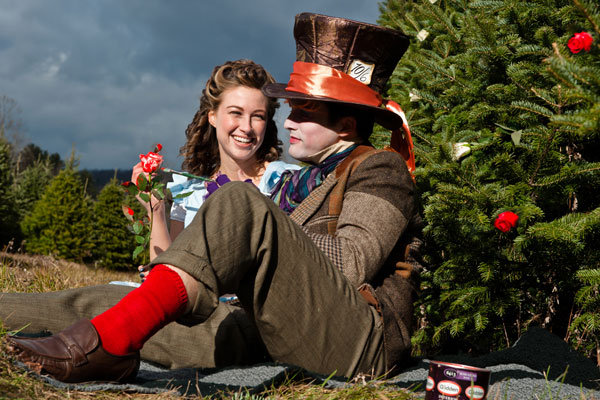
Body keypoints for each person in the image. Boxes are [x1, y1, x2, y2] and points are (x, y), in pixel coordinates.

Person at [5, 13, 423, 383]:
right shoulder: (317, 176)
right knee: (106, 301)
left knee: (240, 202)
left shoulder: (381, 169)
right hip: (273, 324)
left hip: (358, 342)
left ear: (347, 124)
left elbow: (349, 265)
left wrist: (254, 242)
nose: (288, 121)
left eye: (303, 112)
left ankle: (108, 348)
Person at [131, 59, 298, 278]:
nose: (246, 128)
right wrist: (156, 208)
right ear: (213, 117)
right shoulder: (192, 194)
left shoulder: (284, 182)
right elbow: (166, 276)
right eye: (236, 113)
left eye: (258, 116)